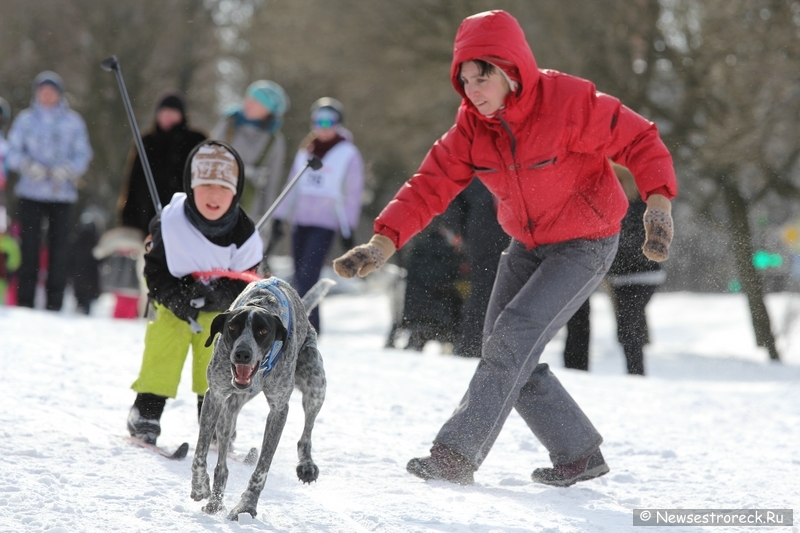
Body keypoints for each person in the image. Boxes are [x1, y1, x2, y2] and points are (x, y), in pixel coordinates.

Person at [333, 10, 676, 486]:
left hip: (586, 240)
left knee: (512, 338)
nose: (473, 89)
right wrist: (383, 240)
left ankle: (455, 455)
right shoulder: (472, 129)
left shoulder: (568, 102)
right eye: (465, 79)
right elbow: (428, 186)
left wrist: (657, 204)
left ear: (511, 68)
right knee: (502, 346)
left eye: (483, 75)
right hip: (528, 241)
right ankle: (578, 454)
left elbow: (639, 137)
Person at [126, 140, 263, 446]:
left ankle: (214, 419)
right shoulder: (170, 223)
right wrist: (176, 296)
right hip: (173, 305)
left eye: (224, 188)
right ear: (191, 185)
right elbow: (155, 271)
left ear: (237, 191)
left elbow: (248, 282)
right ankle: (146, 411)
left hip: (219, 311)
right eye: (206, 185)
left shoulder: (243, 233)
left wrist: (218, 295)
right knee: (163, 352)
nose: (214, 195)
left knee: (214, 361)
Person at [273, 97, 365, 333]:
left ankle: (305, 328)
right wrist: (279, 216)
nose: (323, 127)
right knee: (299, 276)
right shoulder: (306, 151)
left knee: (308, 275)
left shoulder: (348, 153)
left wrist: (349, 228)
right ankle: (311, 324)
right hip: (301, 221)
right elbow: (292, 185)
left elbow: (352, 192)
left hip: (325, 223)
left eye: (329, 121)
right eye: (318, 121)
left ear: (338, 124)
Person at [112, 91, 207, 318]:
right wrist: (127, 222)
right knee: (147, 271)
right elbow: (132, 184)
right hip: (148, 220)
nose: (167, 117)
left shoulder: (196, 141)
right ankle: (149, 312)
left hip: (184, 221)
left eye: (172, 113)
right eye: (163, 112)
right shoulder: (146, 141)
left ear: (182, 115)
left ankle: (177, 310)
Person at [5, 71, 93, 311]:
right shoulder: (25, 120)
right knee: (29, 247)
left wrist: (68, 170)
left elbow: (84, 153)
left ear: (59, 94)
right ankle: (25, 299)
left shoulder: (73, 122)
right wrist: (26, 166)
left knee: (60, 248)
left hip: (61, 195)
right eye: (43, 90)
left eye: (51, 91)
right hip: (30, 193)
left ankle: (55, 301)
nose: (47, 95)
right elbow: (11, 151)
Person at [210, 80, 288, 243]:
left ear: (268, 110)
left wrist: (266, 222)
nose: (248, 103)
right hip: (215, 201)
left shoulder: (274, 141)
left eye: (256, 101)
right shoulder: (228, 124)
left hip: (249, 209)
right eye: (248, 98)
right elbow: (208, 160)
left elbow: (272, 183)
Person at [606, 165, 666, 375]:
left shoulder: (637, 208)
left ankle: (635, 372)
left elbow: (633, 242)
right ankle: (635, 370)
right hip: (629, 276)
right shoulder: (632, 207)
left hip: (640, 274)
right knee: (629, 320)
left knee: (628, 321)